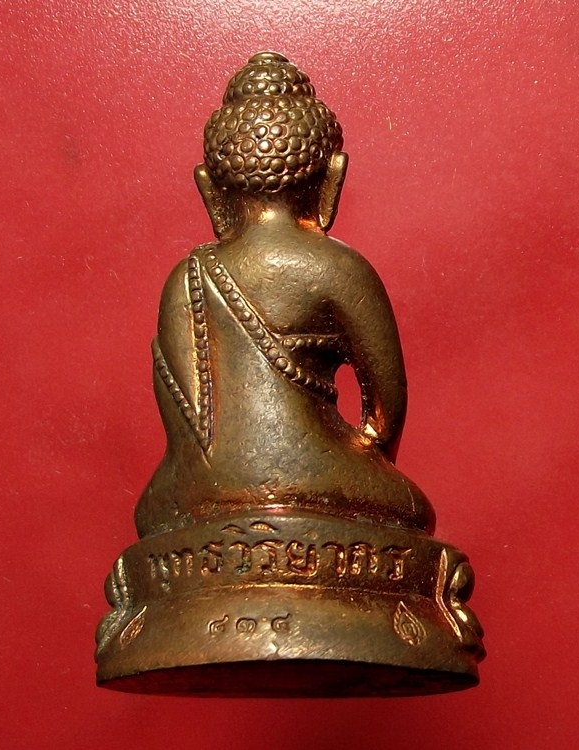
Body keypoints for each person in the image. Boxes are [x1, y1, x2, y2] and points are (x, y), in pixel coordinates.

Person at [135, 53, 435, 538]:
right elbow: (385, 413)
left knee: (158, 512)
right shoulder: (336, 266)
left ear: (209, 188)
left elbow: (183, 428)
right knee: (410, 507)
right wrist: (365, 457)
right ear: (333, 178)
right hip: (314, 478)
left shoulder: (183, 278)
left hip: (189, 495)